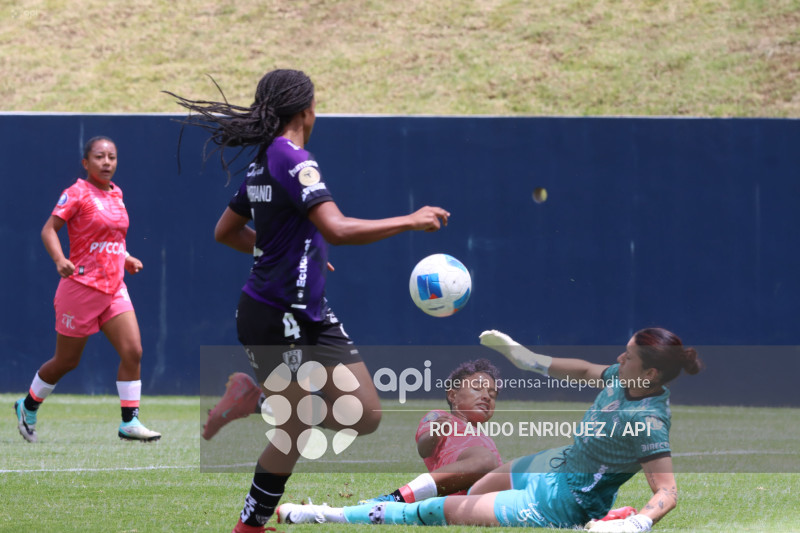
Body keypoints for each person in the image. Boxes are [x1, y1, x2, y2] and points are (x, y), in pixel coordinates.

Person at [167, 68, 449, 533]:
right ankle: (250, 524)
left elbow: (227, 231)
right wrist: (410, 220)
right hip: (275, 312)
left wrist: (296, 252)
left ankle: (255, 400)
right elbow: (336, 228)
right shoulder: (292, 159)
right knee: (296, 425)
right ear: (306, 110)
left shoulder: (264, 160)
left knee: (365, 414)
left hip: (309, 311)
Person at [276, 327, 703, 532]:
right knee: (475, 490)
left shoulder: (647, 421)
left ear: (649, 374)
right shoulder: (623, 379)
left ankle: (326, 513)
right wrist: (525, 358)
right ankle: (603, 517)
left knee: (442, 510)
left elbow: (667, 491)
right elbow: (586, 369)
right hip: (553, 464)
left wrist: (638, 524)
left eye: (627, 357)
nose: (618, 359)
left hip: (562, 502)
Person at [14, 136, 161, 443]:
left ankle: (129, 422)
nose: (106, 162)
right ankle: (28, 405)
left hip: (113, 287)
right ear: (86, 162)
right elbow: (48, 230)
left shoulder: (117, 194)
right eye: (99, 157)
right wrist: (59, 259)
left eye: (112, 157)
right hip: (80, 288)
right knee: (67, 361)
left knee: (133, 351)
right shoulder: (77, 192)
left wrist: (126, 257)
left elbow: (112, 239)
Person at [360, 358, 503, 504]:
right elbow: (424, 449)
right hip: (455, 497)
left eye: (492, 395)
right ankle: (396, 498)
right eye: (477, 389)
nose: (486, 396)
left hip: (485, 500)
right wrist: (435, 433)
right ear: (453, 395)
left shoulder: (487, 439)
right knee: (486, 460)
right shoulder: (439, 417)